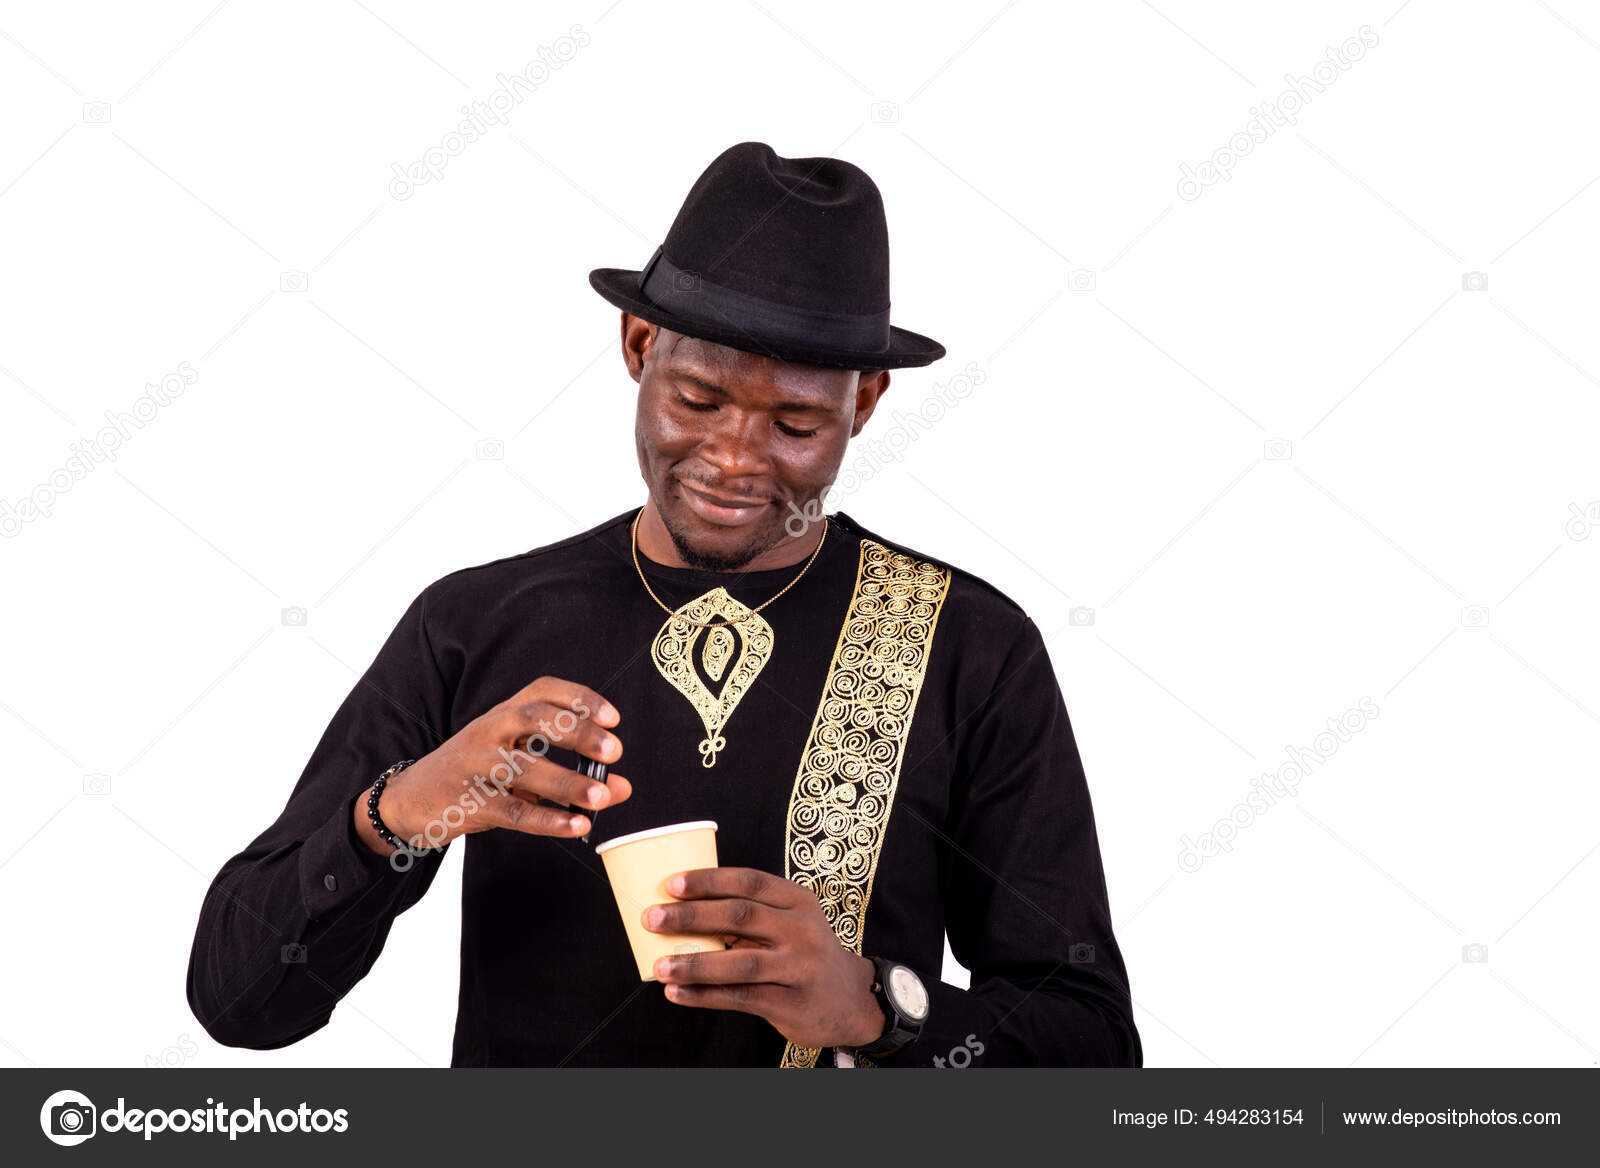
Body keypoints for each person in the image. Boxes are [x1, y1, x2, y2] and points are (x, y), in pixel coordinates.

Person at [187, 141, 1142, 1068]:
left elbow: (1094, 1049)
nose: (733, 458)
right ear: (638, 347)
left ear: (866, 403)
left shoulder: (969, 646)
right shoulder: (476, 623)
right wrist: (394, 815)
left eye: (796, 422)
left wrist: (875, 1006)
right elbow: (239, 1004)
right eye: (697, 399)